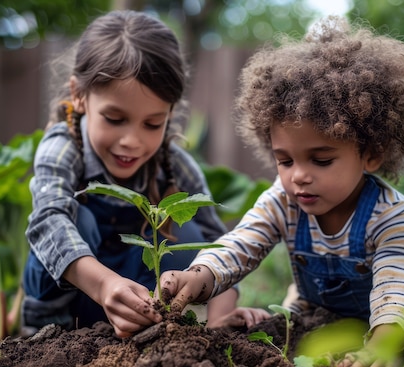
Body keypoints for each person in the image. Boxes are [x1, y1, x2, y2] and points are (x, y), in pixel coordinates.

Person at [159, 16, 404, 367]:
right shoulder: (283, 201)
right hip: (317, 311)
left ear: (372, 154)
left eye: (321, 159)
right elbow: (240, 244)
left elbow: (395, 287)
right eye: (285, 160)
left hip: (398, 310)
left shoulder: (394, 217)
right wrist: (201, 275)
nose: (298, 175)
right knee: (291, 324)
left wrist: (381, 347)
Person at [21, 10, 269, 338]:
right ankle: (47, 333)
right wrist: (105, 285)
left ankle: (163, 327)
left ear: (170, 114)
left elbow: (217, 246)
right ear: (79, 95)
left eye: (152, 124)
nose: (132, 141)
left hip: (135, 305)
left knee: (190, 231)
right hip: (68, 312)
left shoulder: (175, 164)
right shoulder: (63, 147)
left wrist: (221, 317)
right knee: (78, 220)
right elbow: (49, 221)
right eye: (114, 118)